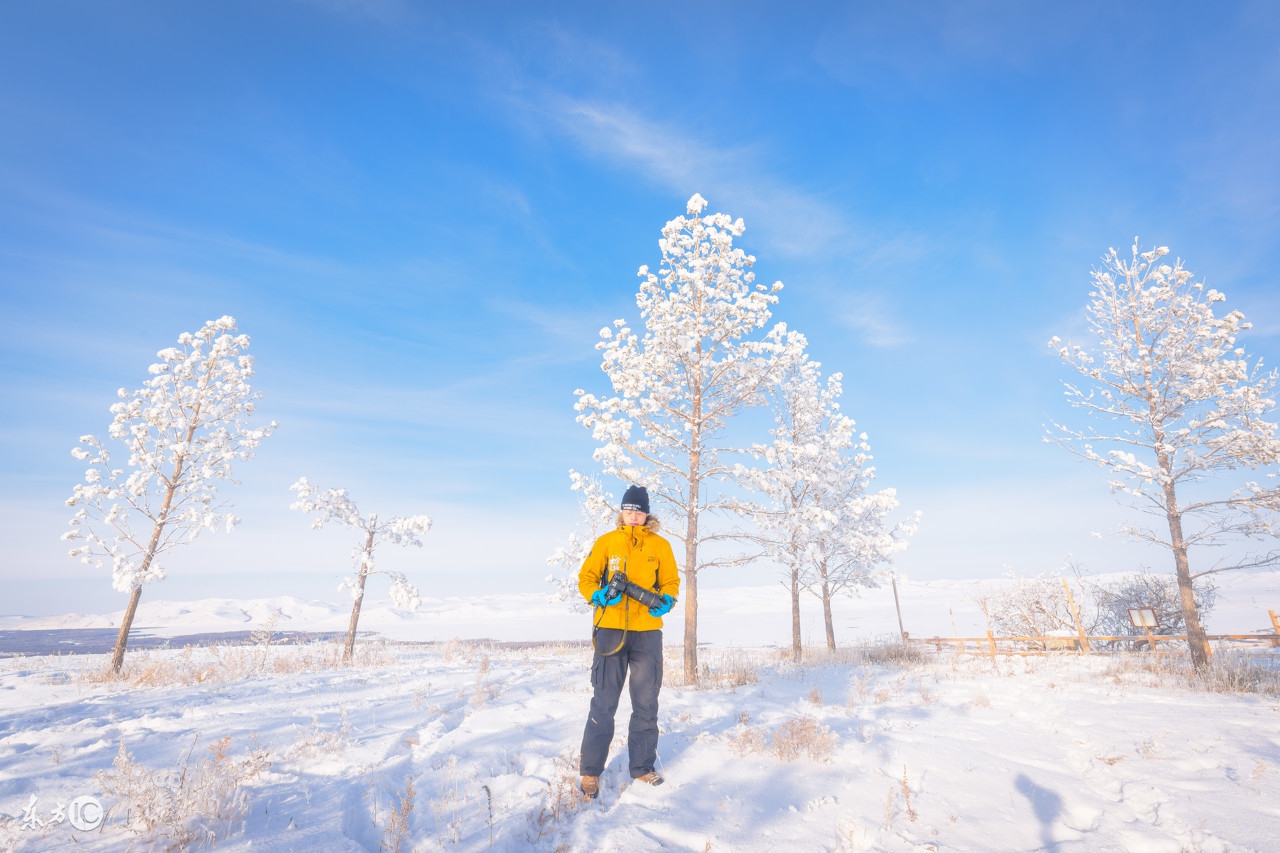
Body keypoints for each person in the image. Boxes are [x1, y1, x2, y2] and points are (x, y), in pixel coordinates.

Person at [576, 484, 679, 799]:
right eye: (629, 509)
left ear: (647, 513)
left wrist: (667, 600)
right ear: (622, 512)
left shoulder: (661, 546)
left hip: (647, 633)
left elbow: (672, 582)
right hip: (610, 629)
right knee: (604, 703)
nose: (634, 515)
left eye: (639, 510)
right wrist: (598, 595)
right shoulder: (607, 542)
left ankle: (642, 768)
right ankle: (591, 773)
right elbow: (586, 578)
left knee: (646, 703)